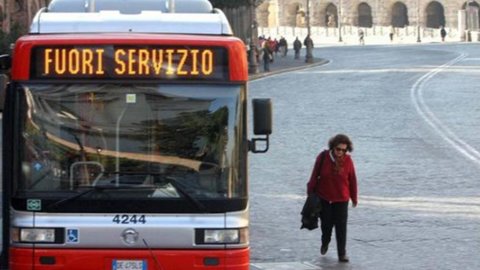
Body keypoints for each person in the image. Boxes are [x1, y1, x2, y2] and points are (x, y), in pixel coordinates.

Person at [307, 134, 358, 263]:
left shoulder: (348, 161)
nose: (340, 152)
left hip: (342, 199)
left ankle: (342, 253)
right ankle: (325, 242)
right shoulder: (323, 157)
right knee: (326, 225)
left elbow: (352, 180)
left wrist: (354, 197)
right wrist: (310, 194)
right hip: (325, 198)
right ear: (333, 147)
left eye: (343, 150)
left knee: (341, 227)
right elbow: (314, 176)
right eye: (338, 149)